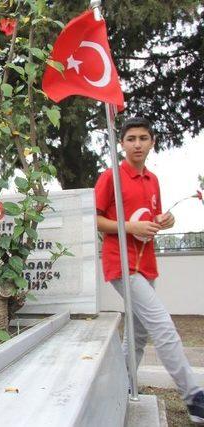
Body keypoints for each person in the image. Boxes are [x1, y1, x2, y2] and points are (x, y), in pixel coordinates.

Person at [94, 116, 204, 423]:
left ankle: (123, 384)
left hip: (147, 264)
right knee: (162, 326)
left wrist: (166, 220)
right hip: (121, 263)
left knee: (138, 334)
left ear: (152, 142)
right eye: (131, 138)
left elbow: (150, 220)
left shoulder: (153, 180)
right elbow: (96, 219)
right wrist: (129, 226)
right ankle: (194, 397)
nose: (137, 144)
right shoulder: (110, 177)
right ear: (122, 143)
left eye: (143, 138)